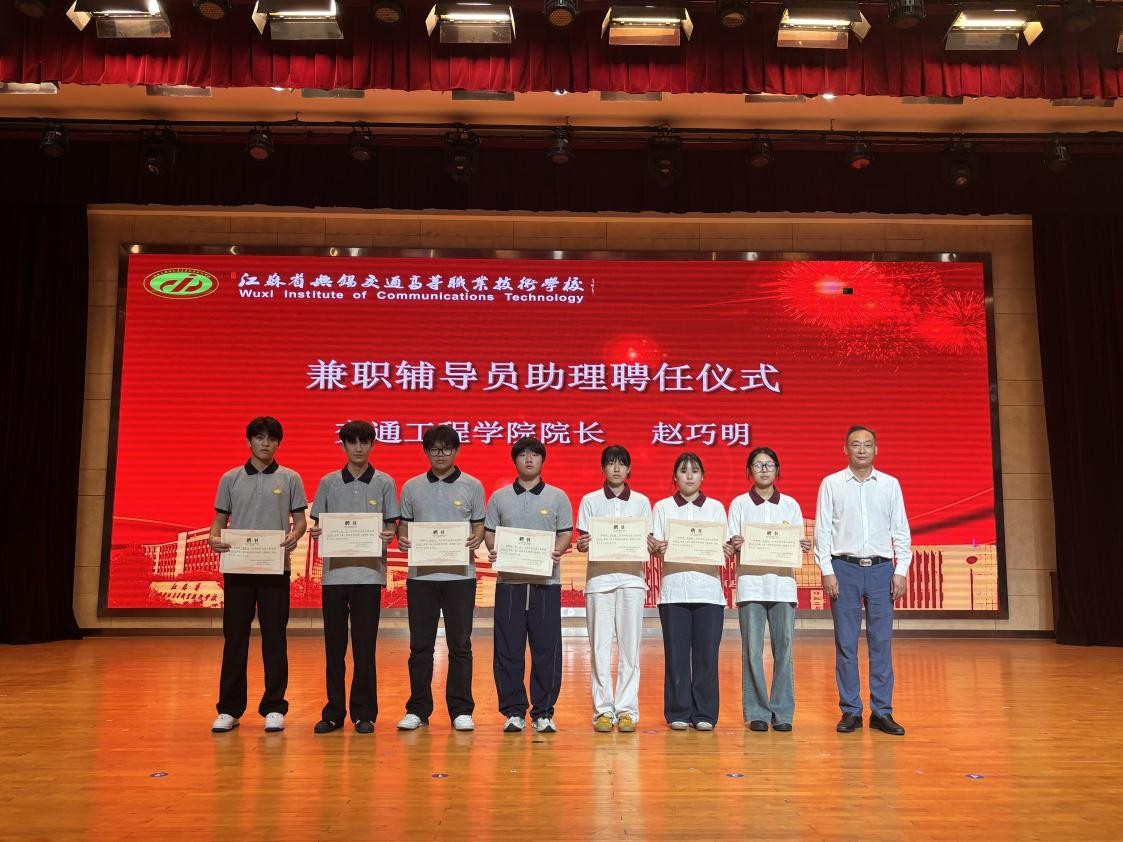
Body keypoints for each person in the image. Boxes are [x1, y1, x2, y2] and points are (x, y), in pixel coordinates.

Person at [208, 416, 307, 733]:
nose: (266, 443)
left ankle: (274, 707)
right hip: (238, 568)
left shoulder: (290, 478)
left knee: (275, 638)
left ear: (279, 443)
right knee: (234, 638)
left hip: (275, 567)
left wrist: (295, 535)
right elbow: (219, 521)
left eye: (272, 438)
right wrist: (213, 538)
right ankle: (229, 709)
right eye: (260, 437)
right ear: (249, 441)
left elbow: (300, 521)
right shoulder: (231, 478)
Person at [815, 425, 912, 736]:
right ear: (845, 449)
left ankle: (882, 712)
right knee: (846, 644)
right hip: (844, 568)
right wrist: (826, 569)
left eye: (867, 445)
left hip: (882, 570)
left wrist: (901, 569)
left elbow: (901, 530)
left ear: (876, 450)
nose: (861, 450)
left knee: (881, 643)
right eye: (855, 444)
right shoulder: (831, 484)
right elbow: (822, 531)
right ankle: (851, 710)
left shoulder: (890, 485)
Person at [308, 420, 399, 734]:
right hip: (334, 576)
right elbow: (318, 524)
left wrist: (389, 534)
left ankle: (364, 713)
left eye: (364, 442)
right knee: (334, 648)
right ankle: (333, 712)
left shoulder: (385, 482)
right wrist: (317, 532)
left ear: (373, 444)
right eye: (352, 442)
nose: (358, 448)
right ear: (344, 445)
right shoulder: (328, 482)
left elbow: (392, 525)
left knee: (364, 648)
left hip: (369, 576)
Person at [395, 425, 486, 732]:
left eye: (447, 448)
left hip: (460, 576)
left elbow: (479, 526)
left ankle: (461, 709)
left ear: (456, 450)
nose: (441, 454)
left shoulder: (472, 485)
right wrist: (403, 539)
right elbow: (404, 527)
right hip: (421, 577)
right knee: (420, 645)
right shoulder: (412, 487)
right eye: (434, 449)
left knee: (460, 644)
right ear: (426, 452)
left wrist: (476, 537)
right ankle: (417, 709)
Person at [484, 437, 573, 734]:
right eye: (522, 454)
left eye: (535, 454)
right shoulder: (499, 498)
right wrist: (494, 549)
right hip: (509, 583)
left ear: (543, 460)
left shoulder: (558, 497)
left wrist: (558, 550)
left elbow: (565, 534)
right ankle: (513, 711)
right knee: (508, 649)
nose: (529, 459)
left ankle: (543, 712)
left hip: (546, 583)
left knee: (547, 649)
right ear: (515, 460)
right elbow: (490, 533)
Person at [727, 447, 812, 733]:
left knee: (784, 650)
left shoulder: (790, 505)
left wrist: (801, 545)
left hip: (783, 587)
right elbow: (730, 543)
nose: (764, 470)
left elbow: (797, 542)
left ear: (777, 469)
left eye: (769, 464)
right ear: (749, 471)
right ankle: (757, 711)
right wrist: (735, 543)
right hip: (751, 586)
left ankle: (782, 711)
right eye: (758, 465)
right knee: (752, 651)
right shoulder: (739, 504)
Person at [650, 452, 732, 732]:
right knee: (676, 655)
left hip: (708, 591)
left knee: (707, 655)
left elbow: (724, 545)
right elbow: (655, 545)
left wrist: (726, 549)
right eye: (683, 470)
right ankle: (678, 711)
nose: (689, 475)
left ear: (702, 476)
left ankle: (705, 712)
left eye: (694, 470)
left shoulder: (716, 508)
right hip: (674, 591)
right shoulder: (662, 508)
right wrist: (656, 548)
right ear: (675, 476)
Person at [575, 445, 654, 733]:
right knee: (599, 648)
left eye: (622, 463)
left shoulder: (642, 502)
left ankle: (627, 710)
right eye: (611, 463)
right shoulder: (590, 501)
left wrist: (651, 544)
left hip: (632, 581)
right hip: (599, 583)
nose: (617, 468)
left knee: (630, 650)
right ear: (603, 468)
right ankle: (603, 711)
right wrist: (582, 544)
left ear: (629, 468)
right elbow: (583, 541)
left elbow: (648, 540)